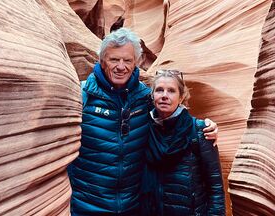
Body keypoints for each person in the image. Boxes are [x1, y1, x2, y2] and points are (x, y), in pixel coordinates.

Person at [68, 28, 218, 215]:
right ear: (102, 61)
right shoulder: (82, 96)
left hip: (134, 207)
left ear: (136, 63)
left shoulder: (145, 98)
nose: (121, 66)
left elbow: (172, 117)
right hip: (87, 207)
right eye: (114, 59)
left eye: (127, 60)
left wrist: (205, 126)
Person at [142, 69, 225, 216]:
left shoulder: (200, 130)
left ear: (181, 98)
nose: (164, 96)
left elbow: (215, 187)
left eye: (171, 91)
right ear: (152, 95)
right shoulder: (142, 129)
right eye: (159, 90)